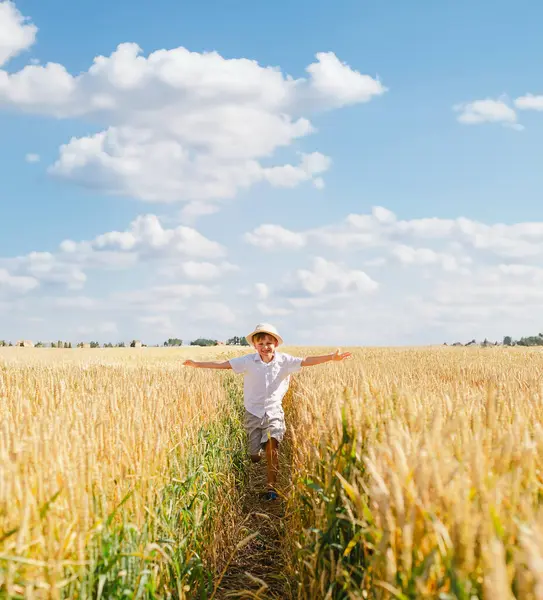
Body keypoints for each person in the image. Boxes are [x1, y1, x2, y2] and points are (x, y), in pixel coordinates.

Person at [183, 323, 351, 501]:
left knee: (273, 446)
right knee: (254, 454)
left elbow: (306, 360)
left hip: (274, 412)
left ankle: (271, 488)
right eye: (261, 344)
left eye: (269, 343)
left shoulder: (284, 361)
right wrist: (197, 364)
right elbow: (224, 364)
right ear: (255, 346)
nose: (265, 347)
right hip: (253, 412)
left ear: (276, 344)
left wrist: (331, 357)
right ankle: (256, 453)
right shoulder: (247, 361)